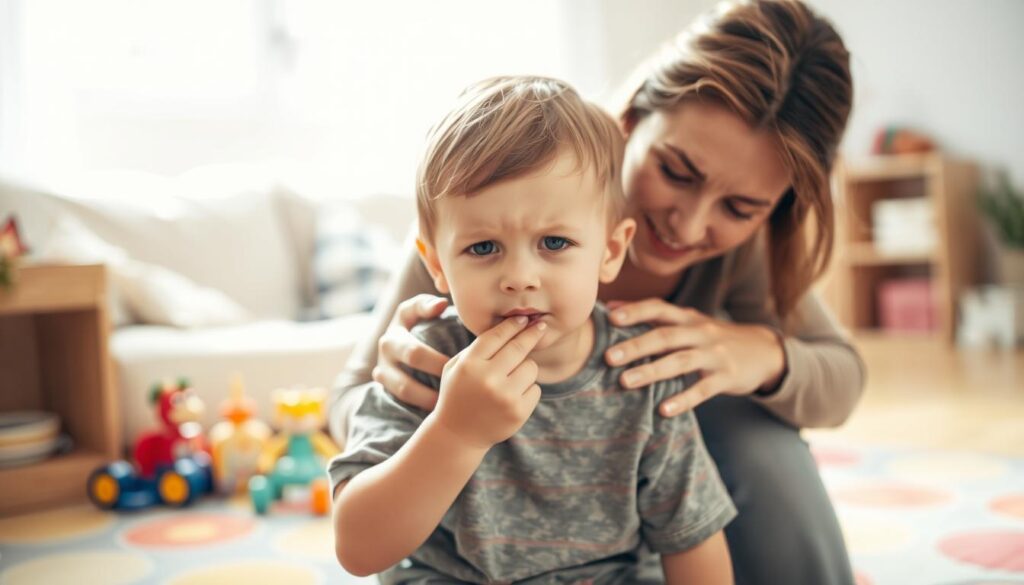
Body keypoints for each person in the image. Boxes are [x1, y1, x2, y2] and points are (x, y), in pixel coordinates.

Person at [331, 1, 863, 583]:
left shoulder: (741, 258)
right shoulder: (480, 208)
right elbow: (355, 454)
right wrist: (435, 414)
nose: (687, 226)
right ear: (632, 120)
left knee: (757, 438)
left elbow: (841, 375)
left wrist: (759, 354)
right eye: (678, 171)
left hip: (633, 494)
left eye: (740, 207)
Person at [331, 76, 736, 584]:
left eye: (554, 243)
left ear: (610, 251)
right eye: (483, 248)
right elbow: (358, 548)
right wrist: (454, 433)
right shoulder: (429, 359)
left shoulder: (640, 372)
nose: (519, 278)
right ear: (437, 265)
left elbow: (692, 540)